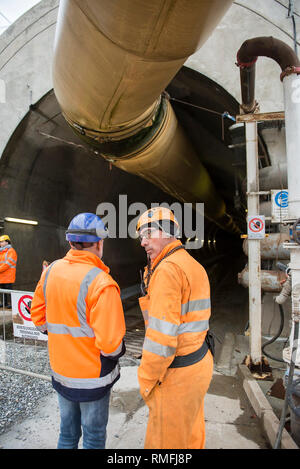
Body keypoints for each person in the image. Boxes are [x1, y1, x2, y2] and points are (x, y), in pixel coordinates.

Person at [31, 213, 126, 449]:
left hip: (61, 373)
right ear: (99, 243)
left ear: (71, 242)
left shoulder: (51, 271)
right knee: (93, 439)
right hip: (92, 381)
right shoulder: (101, 283)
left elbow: (38, 319)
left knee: (67, 435)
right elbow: (111, 345)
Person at [136, 207, 214, 449]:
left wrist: (147, 379)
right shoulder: (191, 264)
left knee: (165, 445)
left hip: (177, 375)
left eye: (149, 233)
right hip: (198, 364)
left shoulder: (168, 270)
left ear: (169, 232)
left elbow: (162, 340)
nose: (143, 242)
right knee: (190, 436)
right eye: (141, 236)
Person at [0, 234, 17, 309]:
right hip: (1, 276)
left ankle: (12, 304)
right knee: (3, 291)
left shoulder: (11, 251)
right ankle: (4, 303)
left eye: (2, 242)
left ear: (7, 242)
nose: (0, 243)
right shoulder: (1, 252)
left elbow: (8, 264)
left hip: (8, 276)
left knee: (9, 292)